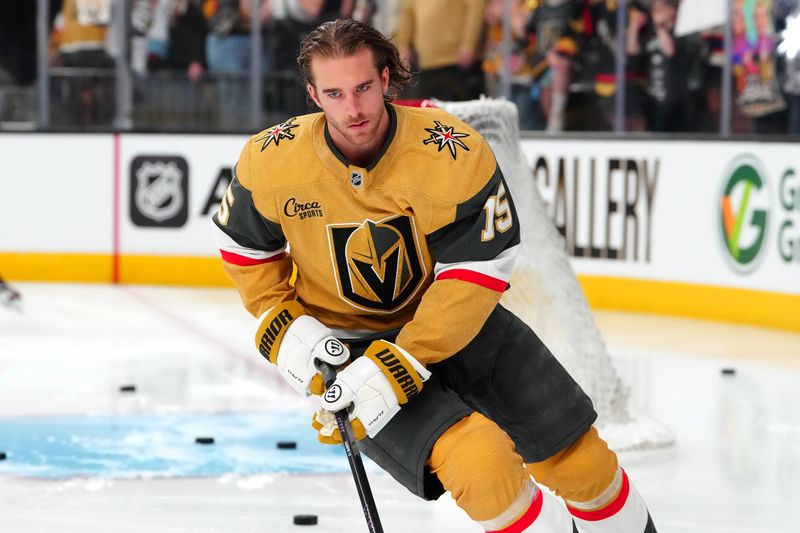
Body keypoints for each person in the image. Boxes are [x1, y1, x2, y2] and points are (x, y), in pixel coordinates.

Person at [212, 18, 658, 533]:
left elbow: (478, 270)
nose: (352, 109)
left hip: (458, 326)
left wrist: (404, 361)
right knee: (482, 466)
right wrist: (286, 327)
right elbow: (244, 248)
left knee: (584, 467)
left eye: (362, 88)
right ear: (313, 95)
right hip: (351, 355)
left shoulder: (451, 149)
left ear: (385, 79)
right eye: (334, 93)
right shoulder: (272, 160)